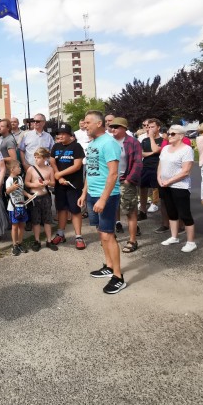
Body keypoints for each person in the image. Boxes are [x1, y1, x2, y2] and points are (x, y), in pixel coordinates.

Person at [78, 110, 127, 294]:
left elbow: (113, 173)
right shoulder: (92, 144)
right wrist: (84, 192)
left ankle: (118, 276)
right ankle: (108, 265)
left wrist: (103, 199)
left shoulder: (109, 143)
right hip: (92, 194)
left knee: (108, 235)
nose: (85, 124)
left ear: (99, 124)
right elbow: (90, 171)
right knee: (101, 232)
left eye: (88, 122)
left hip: (106, 196)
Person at [157, 125, 197, 253]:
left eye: (173, 134)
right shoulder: (165, 148)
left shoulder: (186, 150)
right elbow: (160, 164)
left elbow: (186, 171)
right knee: (171, 212)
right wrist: (159, 178)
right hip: (164, 184)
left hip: (179, 186)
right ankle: (174, 237)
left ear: (181, 135)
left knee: (185, 214)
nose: (169, 136)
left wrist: (169, 181)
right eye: (168, 133)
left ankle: (191, 242)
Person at [49, 123, 86, 249]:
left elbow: (77, 165)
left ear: (70, 135)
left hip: (73, 184)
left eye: (63, 133)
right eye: (59, 133)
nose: (61, 136)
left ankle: (79, 236)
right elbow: (52, 161)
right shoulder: (56, 146)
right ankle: (61, 234)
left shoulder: (76, 147)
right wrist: (59, 176)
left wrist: (60, 174)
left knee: (75, 210)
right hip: (60, 184)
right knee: (61, 209)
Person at [109, 117, 143, 253]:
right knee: (110, 210)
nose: (113, 129)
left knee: (130, 212)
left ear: (124, 128)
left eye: (117, 127)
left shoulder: (132, 142)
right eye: (112, 127)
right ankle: (111, 237)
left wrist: (129, 180)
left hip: (125, 181)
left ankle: (132, 240)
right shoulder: (109, 142)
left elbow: (138, 162)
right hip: (110, 182)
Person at [25, 147, 57, 251]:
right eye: (35, 157)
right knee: (36, 220)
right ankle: (37, 240)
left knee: (47, 220)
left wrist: (48, 182)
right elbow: (27, 182)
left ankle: (49, 240)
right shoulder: (31, 169)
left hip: (46, 196)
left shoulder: (50, 169)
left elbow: (53, 182)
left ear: (44, 158)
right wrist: (34, 185)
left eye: (38, 157)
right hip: (35, 197)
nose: (36, 159)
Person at [138, 118, 164, 229]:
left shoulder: (163, 140)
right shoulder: (144, 140)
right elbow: (141, 153)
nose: (149, 129)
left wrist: (152, 140)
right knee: (143, 188)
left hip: (158, 167)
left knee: (159, 190)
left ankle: (164, 217)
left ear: (158, 127)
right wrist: (152, 152)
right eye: (148, 127)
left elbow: (158, 150)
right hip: (146, 167)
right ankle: (142, 211)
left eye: (152, 127)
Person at [4, 159, 32, 256]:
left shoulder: (20, 178)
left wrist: (28, 195)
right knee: (15, 226)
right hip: (13, 207)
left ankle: (20, 243)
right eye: (18, 167)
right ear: (12, 169)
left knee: (22, 225)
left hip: (21, 205)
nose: (20, 169)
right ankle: (14, 245)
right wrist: (12, 188)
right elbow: (7, 191)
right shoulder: (9, 180)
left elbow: (22, 190)